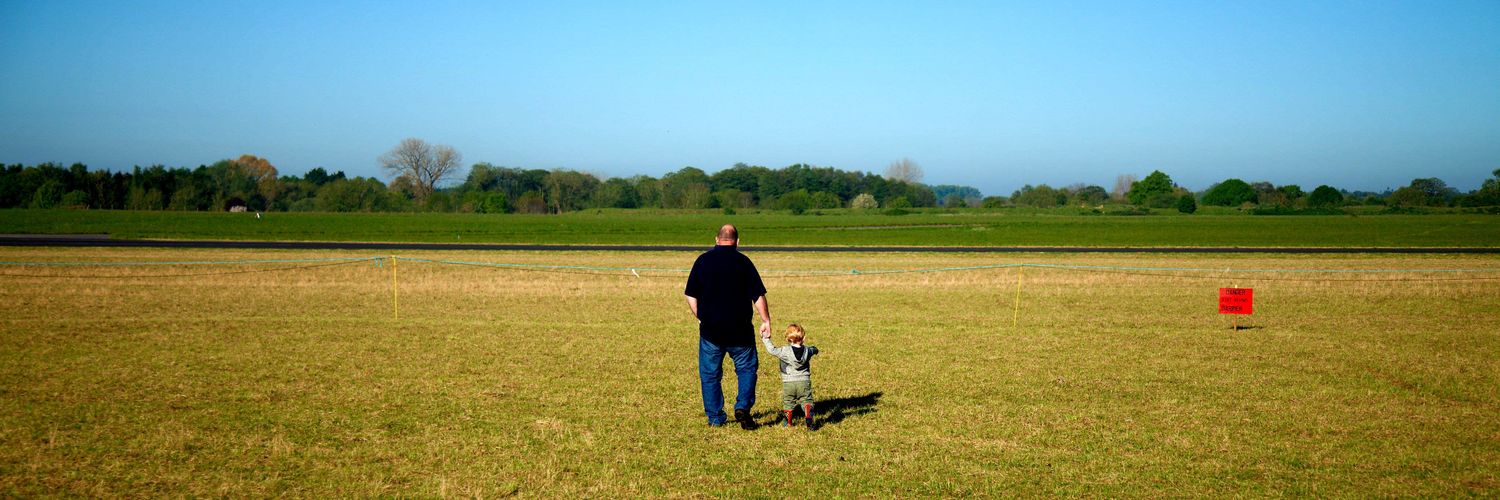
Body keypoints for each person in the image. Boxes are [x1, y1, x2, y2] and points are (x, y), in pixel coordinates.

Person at [684, 224, 771, 429]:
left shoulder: (703, 261)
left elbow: (690, 294)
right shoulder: (744, 263)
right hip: (741, 330)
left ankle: (715, 417)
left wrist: (700, 316)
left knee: (710, 375)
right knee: (747, 369)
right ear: (738, 242)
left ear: (716, 239)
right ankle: (743, 407)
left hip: (711, 331)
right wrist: (765, 320)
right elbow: (757, 295)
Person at [761, 323, 819, 429]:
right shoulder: (808, 351)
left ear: (788, 339)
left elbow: (772, 350)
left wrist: (766, 339)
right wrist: (815, 350)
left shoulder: (784, 351)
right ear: (804, 338)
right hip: (804, 382)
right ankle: (809, 420)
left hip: (788, 383)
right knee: (807, 401)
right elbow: (814, 350)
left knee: (788, 402)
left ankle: (787, 422)